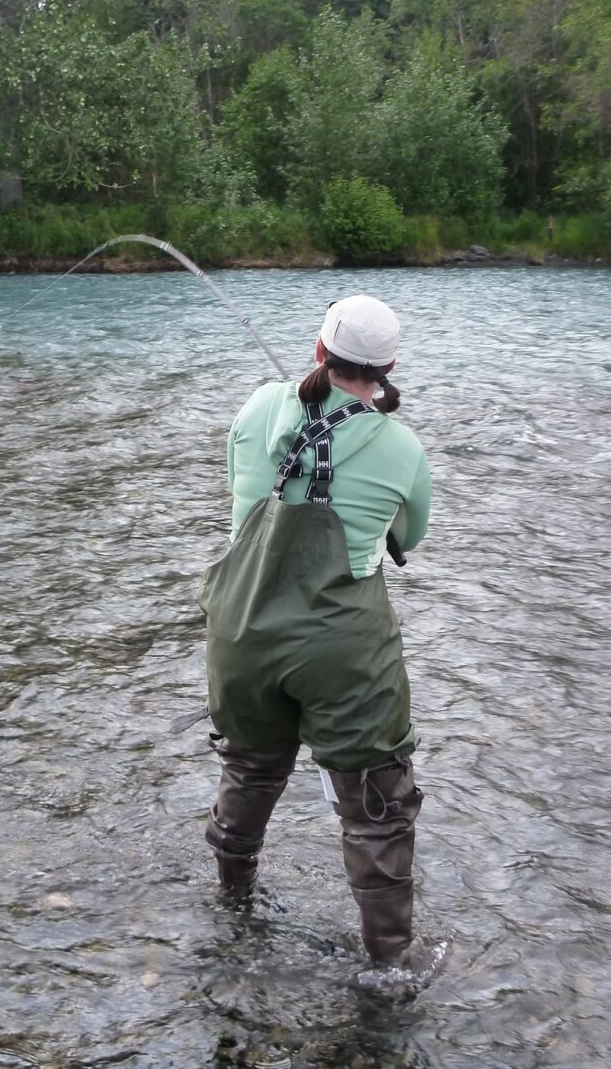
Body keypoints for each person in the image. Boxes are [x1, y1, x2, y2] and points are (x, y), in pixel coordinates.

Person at [198, 293, 435, 970]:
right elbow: (409, 535)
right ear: (388, 366)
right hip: (341, 647)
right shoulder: (400, 445)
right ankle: (390, 965)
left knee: (249, 768)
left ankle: (232, 906)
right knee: (374, 805)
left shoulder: (257, 407)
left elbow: (241, 505)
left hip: (242, 631)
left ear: (318, 350)